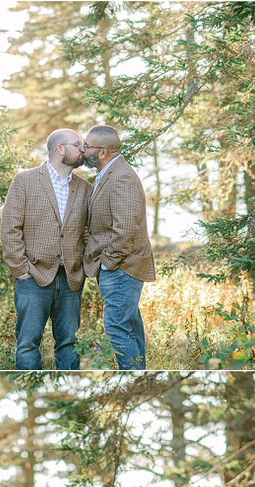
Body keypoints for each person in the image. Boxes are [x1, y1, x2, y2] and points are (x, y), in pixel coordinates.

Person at [1, 130, 91, 369]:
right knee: (28, 343)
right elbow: (10, 227)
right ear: (60, 149)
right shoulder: (26, 180)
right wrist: (20, 269)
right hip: (33, 278)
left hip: (71, 279)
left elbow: (86, 231)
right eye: (77, 144)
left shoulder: (84, 188)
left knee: (68, 344)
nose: (83, 149)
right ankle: (30, 389)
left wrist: (83, 266)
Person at [83, 125, 155, 370]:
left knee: (116, 327)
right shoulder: (107, 174)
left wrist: (107, 263)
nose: (83, 150)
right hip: (118, 265)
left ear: (102, 152)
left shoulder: (121, 176)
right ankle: (138, 370)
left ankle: (131, 372)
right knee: (130, 326)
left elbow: (126, 227)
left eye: (87, 146)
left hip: (123, 267)